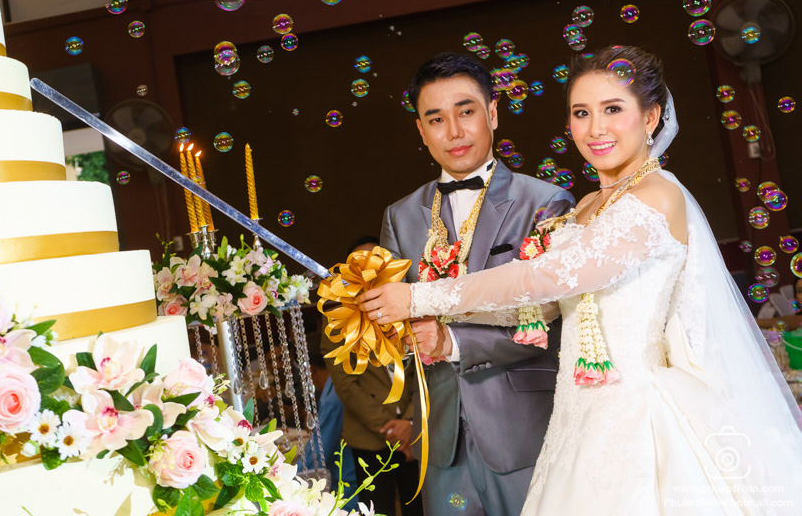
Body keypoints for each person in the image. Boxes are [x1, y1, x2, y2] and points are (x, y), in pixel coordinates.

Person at [359, 46, 802, 514]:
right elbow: (539, 309)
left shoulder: (657, 197)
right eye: (581, 113)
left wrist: (418, 297)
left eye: (613, 109)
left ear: (651, 117)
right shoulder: (588, 206)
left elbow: (543, 277)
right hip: (576, 415)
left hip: (636, 411)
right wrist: (426, 325)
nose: (596, 129)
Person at [379, 53, 574, 516]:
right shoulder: (400, 216)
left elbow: (556, 322)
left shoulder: (545, 202)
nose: (454, 131)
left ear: (493, 112)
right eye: (436, 119)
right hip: (440, 441)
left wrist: (452, 341)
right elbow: (396, 326)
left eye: (466, 111)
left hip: (526, 432)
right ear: (421, 131)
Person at [323, 236, 423, 516]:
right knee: (377, 510)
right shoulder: (337, 316)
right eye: (359, 263)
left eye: (374, 260)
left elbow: (426, 369)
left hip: (415, 433)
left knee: (420, 508)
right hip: (370, 436)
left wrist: (410, 423)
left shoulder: (409, 304)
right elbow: (345, 385)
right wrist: (391, 429)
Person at [301, 332, 359, 510]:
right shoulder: (334, 388)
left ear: (311, 370)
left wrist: (288, 473)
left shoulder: (333, 397)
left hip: (346, 487)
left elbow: (319, 452)